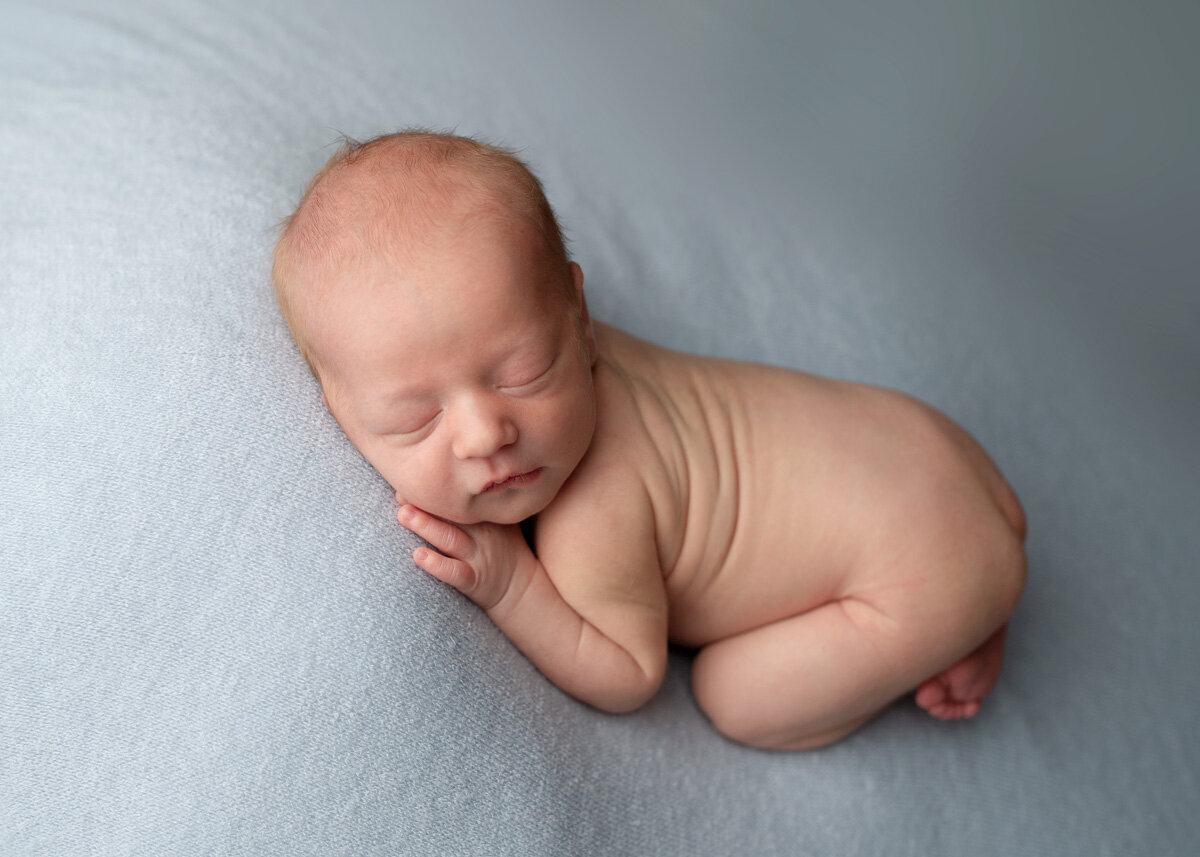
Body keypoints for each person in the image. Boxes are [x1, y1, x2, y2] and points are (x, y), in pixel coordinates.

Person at [271, 130, 1027, 750]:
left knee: (735, 699)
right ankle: (975, 593)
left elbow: (630, 672)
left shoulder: (594, 507)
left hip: (926, 565)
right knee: (962, 553)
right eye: (415, 418)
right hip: (931, 445)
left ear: (578, 315)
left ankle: (957, 615)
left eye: (521, 371)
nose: (485, 433)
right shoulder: (561, 337)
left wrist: (510, 585)